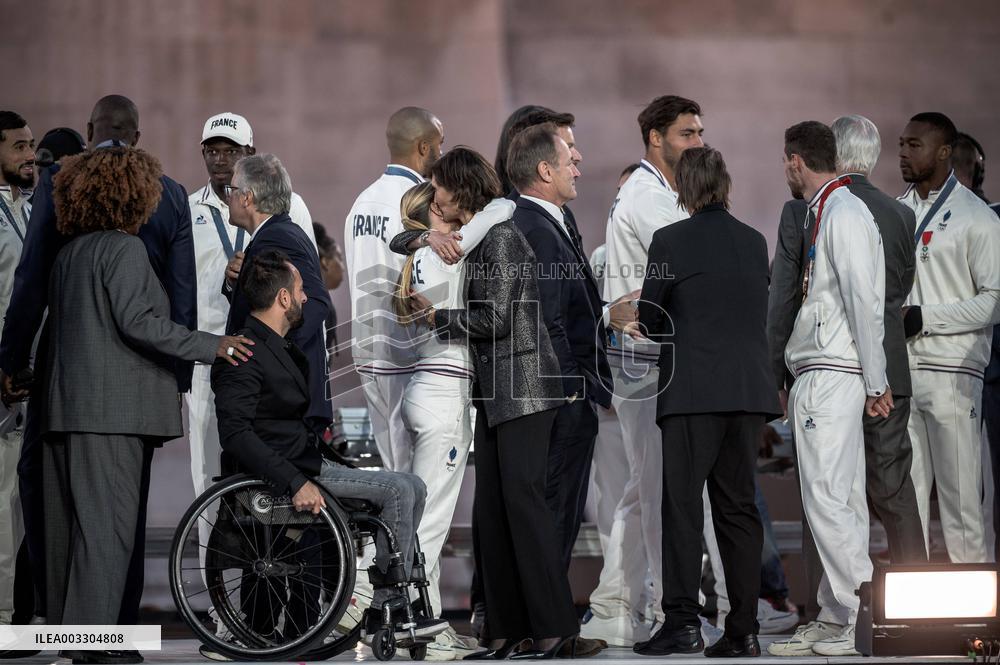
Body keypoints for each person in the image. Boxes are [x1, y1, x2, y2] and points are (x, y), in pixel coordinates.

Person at [42, 146, 251, 664]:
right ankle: (95, 648)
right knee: (107, 535)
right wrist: (213, 345)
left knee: (78, 533)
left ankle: (80, 641)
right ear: (131, 194)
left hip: (71, 411)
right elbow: (141, 324)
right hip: (111, 416)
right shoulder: (124, 250)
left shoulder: (72, 252)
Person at [0, 94, 197, 627]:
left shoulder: (64, 183)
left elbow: (32, 280)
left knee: (55, 505)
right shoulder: (171, 195)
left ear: (89, 130)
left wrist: (12, 360)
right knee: (122, 513)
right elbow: (183, 297)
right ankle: (116, 628)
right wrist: (176, 381)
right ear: (137, 135)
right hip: (142, 384)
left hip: (65, 376)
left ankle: (63, 623)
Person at [211, 249, 446, 640]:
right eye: (301, 290)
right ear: (283, 298)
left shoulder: (277, 347)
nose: (306, 298)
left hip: (307, 463)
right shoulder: (245, 351)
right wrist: (294, 481)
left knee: (413, 486)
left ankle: (392, 601)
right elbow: (235, 434)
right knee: (402, 489)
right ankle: (386, 607)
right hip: (287, 475)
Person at [410, 147, 578, 659]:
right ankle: (504, 630)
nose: (433, 197)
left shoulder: (501, 239)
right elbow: (402, 234)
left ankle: (554, 628)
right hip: (497, 392)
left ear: (459, 190)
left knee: (523, 510)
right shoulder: (476, 238)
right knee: (493, 513)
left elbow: (497, 320)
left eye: (439, 188)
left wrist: (437, 319)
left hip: (524, 391)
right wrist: (425, 234)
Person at [630, 146, 778, 658]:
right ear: (725, 185)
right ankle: (745, 630)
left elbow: (650, 320)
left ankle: (682, 624)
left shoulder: (670, 239)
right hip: (748, 394)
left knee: (682, 509)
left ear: (684, 190)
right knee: (738, 511)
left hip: (692, 394)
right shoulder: (754, 241)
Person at [767, 121, 891, 658]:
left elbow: (865, 298)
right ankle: (837, 612)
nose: (785, 171)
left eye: (785, 163)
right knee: (837, 499)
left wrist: (876, 378)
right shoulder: (830, 210)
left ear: (796, 161)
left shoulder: (843, 213)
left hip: (834, 372)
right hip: (827, 369)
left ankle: (851, 616)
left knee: (827, 500)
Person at [592, 94, 711, 646]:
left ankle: (618, 602)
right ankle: (661, 608)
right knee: (656, 487)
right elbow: (695, 265)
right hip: (646, 362)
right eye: (687, 133)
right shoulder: (646, 197)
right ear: (655, 139)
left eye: (700, 132)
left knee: (647, 487)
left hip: (652, 357)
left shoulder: (663, 194)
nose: (698, 142)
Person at [391, 181, 513, 656]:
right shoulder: (446, 251)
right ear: (435, 218)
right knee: (430, 525)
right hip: (444, 395)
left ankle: (427, 623)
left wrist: (420, 237)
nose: (459, 215)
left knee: (425, 519)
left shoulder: (420, 255)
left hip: (427, 386)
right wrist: (432, 235)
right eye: (446, 209)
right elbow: (504, 205)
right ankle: (417, 626)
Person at [187, 112, 318, 543]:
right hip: (212, 357)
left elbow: (304, 296)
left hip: (259, 371)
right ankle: (220, 606)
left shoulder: (289, 208)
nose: (220, 159)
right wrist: (230, 284)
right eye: (212, 150)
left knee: (253, 483)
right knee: (211, 477)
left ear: (249, 153)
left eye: (231, 151)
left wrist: (286, 372)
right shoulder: (189, 209)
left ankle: (255, 604)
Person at [505, 122, 612, 569]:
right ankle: (548, 631)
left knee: (558, 516)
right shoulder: (539, 229)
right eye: (570, 161)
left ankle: (549, 627)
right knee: (556, 517)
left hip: (554, 398)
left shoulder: (543, 223)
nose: (579, 169)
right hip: (560, 401)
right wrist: (575, 391)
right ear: (546, 171)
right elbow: (546, 320)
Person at [898, 112, 1000, 564]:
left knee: (961, 504)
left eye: (914, 145)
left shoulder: (978, 219)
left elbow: (995, 301)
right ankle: (915, 618)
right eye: (902, 144)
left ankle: (976, 628)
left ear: (944, 152)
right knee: (908, 504)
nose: (903, 152)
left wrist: (926, 318)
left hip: (954, 374)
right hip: (902, 373)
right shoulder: (895, 211)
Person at [344, 106, 443, 473]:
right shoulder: (415, 203)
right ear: (422, 147)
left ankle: (397, 531)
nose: (441, 154)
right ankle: (409, 533)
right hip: (404, 344)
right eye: (439, 145)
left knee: (392, 464)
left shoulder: (360, 202)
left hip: (367, 345)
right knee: (414, 469)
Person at [224, 153, 332, 431]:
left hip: (286, 408)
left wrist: (271, 364)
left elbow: (316, 304)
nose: (228, 197)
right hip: (287, 405)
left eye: (232, 190)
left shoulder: (278, 237)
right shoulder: (277, 233)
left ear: (247, 197)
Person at [0, 111, 33, 629]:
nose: (31, 155)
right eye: (20, 147)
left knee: (14, 506)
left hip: (24, 379)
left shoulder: (28, 208)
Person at [313, 223, 345, 362]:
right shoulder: (318, 305)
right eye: (339, 257)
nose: (343, 267)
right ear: (325, 261)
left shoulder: (317, 299)